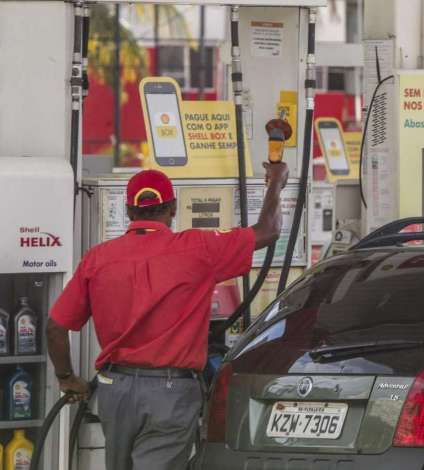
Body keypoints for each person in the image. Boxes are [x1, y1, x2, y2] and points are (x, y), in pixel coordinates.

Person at [47, 162, 288, 470]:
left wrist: (67, 379)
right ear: (173, 208)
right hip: (171, 394)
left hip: (114, 389)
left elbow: (55, 328)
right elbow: (269, 231)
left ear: (129, 212)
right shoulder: (198, 248)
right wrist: (276, 183)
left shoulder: (98, 258)